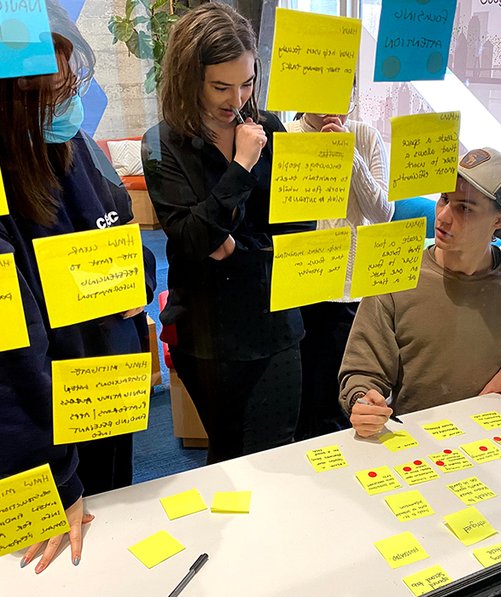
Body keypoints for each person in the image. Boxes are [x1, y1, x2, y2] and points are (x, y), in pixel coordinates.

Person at [0, 15, 155, 571]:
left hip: (105, 384)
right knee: (72, 564)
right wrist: (52, 482)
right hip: (46, 426)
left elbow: (121, 238)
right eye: (56, 93)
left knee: (125, 526)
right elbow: (14, 358)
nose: (70, 103)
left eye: (72, 87)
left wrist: (139, 279)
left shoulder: (74, 146)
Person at [142, 3, 314, 464]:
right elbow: (194, 241)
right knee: (228, 460)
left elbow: (298, 230)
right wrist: (241, 167)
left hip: (275, 321)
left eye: (247, 82)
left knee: (278, 456)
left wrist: (237, 248)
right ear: (189, 77)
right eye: (221, 86)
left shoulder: (270, 129)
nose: (236, 99)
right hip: (208, 331)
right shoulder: (163, 142)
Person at [339, 148, 501, 437]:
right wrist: (363, 400)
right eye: (444, 199)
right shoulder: (395, 274)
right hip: (416, 440)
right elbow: (361, 372)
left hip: (495, 432)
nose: (443, 216)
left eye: (465, 208)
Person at [285, 101, 394, 440]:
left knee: (337, 394)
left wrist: (350, 155)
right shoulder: (286, 136)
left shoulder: (365, 135)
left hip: (347, 288)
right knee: (298, 394)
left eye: (343, 93)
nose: (331, 105)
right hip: (299, 281)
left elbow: (383, 213)